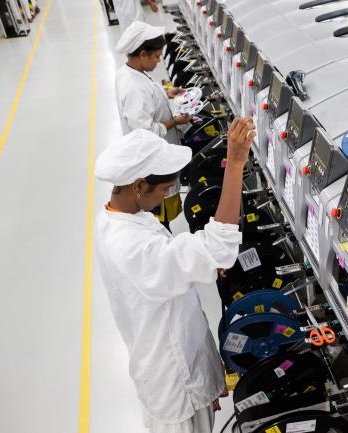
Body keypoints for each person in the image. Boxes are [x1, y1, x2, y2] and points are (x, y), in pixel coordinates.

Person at [94, 119, 255, 433]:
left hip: (176, 364)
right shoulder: (130, 245)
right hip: (175, 385)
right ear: (139, 185)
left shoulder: (118, 216)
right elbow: (217, 248)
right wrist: (235, 164)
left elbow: (173, 268)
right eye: (165, 189)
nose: (168, 196)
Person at [115, 21, 192, 229]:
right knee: (157, 218)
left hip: (152, 160)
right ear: (142, 54)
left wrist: (166, 94)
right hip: (151, 164)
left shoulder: (130, 72)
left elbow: (147, 99)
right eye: (157, 56)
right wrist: (175, 121)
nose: (159, 61)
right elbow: (145, 131)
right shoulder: (134, 88)